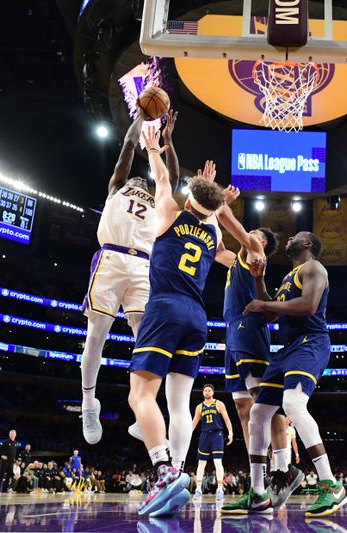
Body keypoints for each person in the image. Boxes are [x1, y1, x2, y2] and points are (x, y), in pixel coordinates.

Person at [126, 125, 227, 517]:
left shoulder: (169, 212)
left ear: (190, 197)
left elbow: (164, 178)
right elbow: (221, 248)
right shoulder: (212, 229)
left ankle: (163, 471)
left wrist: (153, 147)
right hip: (198, 316)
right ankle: (179, 472)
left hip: (165, 305)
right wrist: (212, 196)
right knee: (180, 404)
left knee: (141, 396)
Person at [222, 232, 347, 518]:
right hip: (287, 350)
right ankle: (258, 493)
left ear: (307, 244)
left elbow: (308, 306)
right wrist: (258, 278)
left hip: (311, 342)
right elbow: (269, 314)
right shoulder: (288, 277)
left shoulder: (314, 268)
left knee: (292, 403)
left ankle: (330, 483)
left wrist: (265, 305)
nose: (290, 237)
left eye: (297, 236)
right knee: (258, 414)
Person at [79, 108, 180, 444]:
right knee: (97, 334)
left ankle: (145, 407)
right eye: (135, 177)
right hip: (111, 257)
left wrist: (167, 141)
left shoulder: (157, 199)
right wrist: (140, 115)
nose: (138, 178)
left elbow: (173, 180)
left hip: (143, 267)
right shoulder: (117, 188)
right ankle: (88, 402)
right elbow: (127, 147)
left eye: (143, 177)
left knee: (146, 339)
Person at [213, 201, 301, 506]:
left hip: (248, 331)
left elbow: (225, 217)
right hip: (233, 333)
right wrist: (208, 216)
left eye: (251, 232)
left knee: (265, 408)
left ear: (260, 241)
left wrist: (219, 200)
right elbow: (216, 248)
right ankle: (258, 482)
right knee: (244, 411)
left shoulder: (254, 250)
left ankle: (282, 469)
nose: (247, 234)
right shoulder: (239, 259)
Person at [191, 384, 233, 501]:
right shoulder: (199, 407)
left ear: (213, 392)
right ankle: (198, 489)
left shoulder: (219, 404)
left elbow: (226, 419)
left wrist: (230, 433)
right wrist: (187, 435)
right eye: (205, 390)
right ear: (203, 393)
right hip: (204, 434)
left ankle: (220, 489)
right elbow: (194, 423)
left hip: (217, 434)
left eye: (209, 390)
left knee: (217, 461)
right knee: (201, 463)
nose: (207, 392)